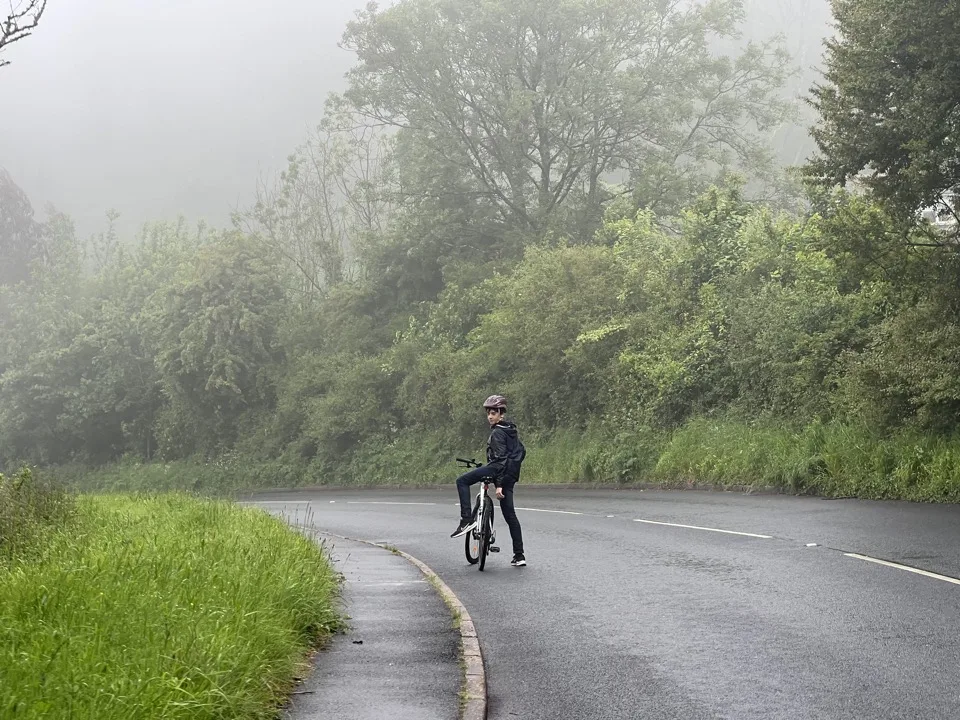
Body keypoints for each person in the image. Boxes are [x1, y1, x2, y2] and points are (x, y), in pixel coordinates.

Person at [451, 394, 526, 567]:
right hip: (510, 476)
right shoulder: (511, 431)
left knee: (461, 481)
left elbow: (500, 460)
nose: (490, 417)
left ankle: (466, 520)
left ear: (501, 414)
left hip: (500, 473)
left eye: (494, 413)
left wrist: (498, 484)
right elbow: (513, 456)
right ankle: (519, 555)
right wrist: (504, 482)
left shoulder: (498, 432)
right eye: (489, 413)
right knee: (510, 515)